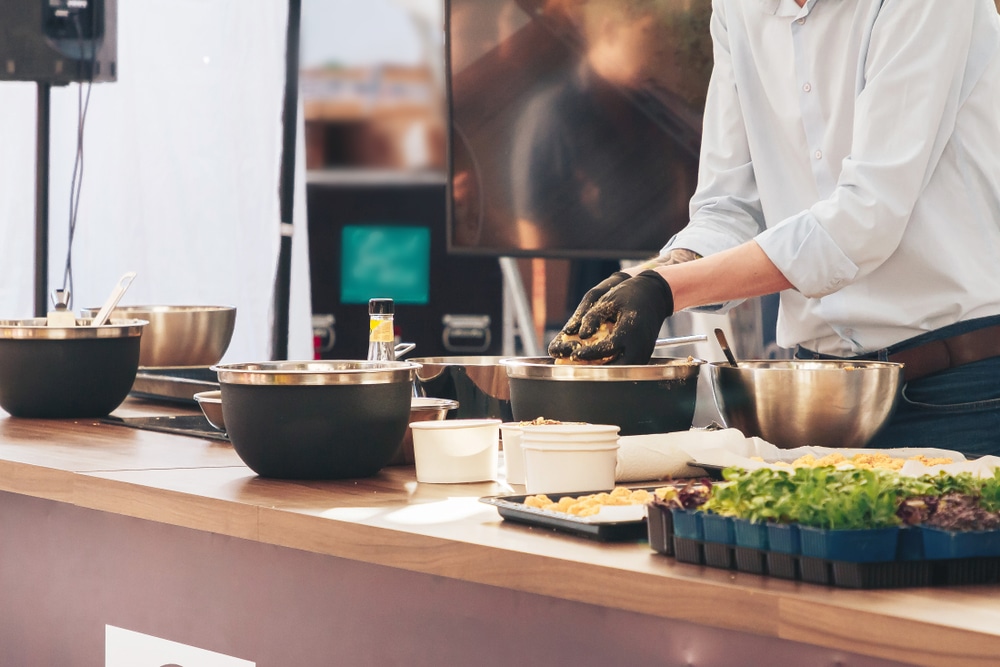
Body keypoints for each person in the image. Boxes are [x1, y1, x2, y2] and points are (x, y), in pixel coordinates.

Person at [549, 0, 1000, 457]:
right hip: (818, 397)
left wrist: (666, 289)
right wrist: (643, 280)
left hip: (958, 393)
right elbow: (729, 209)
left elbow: (866, 218)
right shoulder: (735, 8)